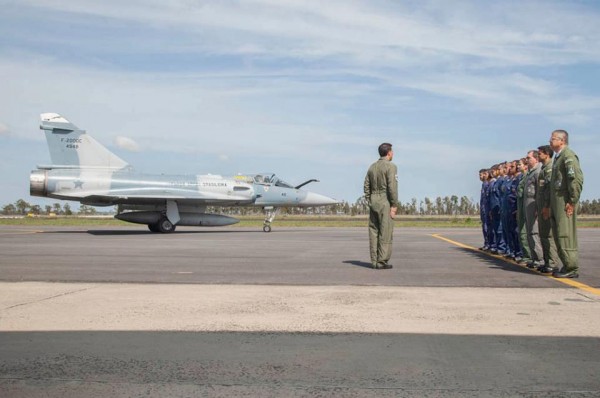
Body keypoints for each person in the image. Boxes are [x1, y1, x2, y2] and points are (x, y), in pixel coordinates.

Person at [548, 130, 584, 278]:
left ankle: (572, 267)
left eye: (553, 138)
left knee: (565, 234)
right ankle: (566, 265)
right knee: (558, 234)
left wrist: (572, 201)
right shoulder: (558, 157)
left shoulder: (568, 156)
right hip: (557, 202)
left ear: (562, 140)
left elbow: (575, 180)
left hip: (564, 202)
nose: (550, 141)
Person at [364, 143, 399, 269]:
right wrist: (394, 205)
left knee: (373, 231)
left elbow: (366, 186)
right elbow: (392, 187)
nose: (393, 153)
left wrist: (370, 200)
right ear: (389, 153)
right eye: (392, 151)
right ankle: (381, 261)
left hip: (373, 201)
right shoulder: (391, 167)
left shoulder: (372, 167)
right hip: (385, 201)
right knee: (385, 232)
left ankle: (374, 261)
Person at [536, 145, 559, 274]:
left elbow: (549, 191)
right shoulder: (544, 168)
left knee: (548, 236)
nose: (538, 155)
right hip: (541, 206)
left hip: (546, 207)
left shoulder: (549, 169)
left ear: (546, 154)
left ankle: (552, 263)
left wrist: (547, 206)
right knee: (543, 235)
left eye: (540, 153)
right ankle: (547, 262)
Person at [523, 150, 544, 268]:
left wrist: (537, 207)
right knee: (530, 231)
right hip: (528, 204)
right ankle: (534, 257)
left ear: (536, 159)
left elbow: (539, 192)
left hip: (534, 204)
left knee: (535, 231)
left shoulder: (538, 171)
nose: (527, 160)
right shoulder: (530, 173)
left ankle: (540, 258)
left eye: (529, 158)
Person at [478, 169, 491, 251]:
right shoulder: (484, 184)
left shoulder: (487, 184)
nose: (480, 176)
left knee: (488, 228)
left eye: (481, 174)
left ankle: (489, 244)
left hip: (486, 209)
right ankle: (487, 243)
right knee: (485, 227)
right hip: (483, 209)